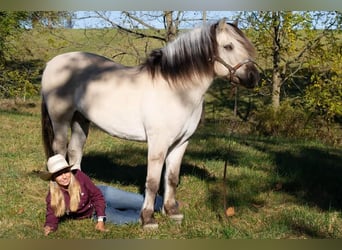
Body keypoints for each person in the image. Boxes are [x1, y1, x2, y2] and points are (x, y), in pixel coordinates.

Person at [40, 154, 163, 236]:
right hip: (92, 212)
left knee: (137, 201)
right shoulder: (53, 196)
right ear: (53, 178)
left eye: (65, 172)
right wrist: (50, 227)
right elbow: (52, 214)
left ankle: (166, 203)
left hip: (103, 195)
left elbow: (97, 196)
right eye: (59, 174)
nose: (64, 176)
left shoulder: (79, 176)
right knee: (130, 220)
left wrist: (101, 220)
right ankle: (147, 215)